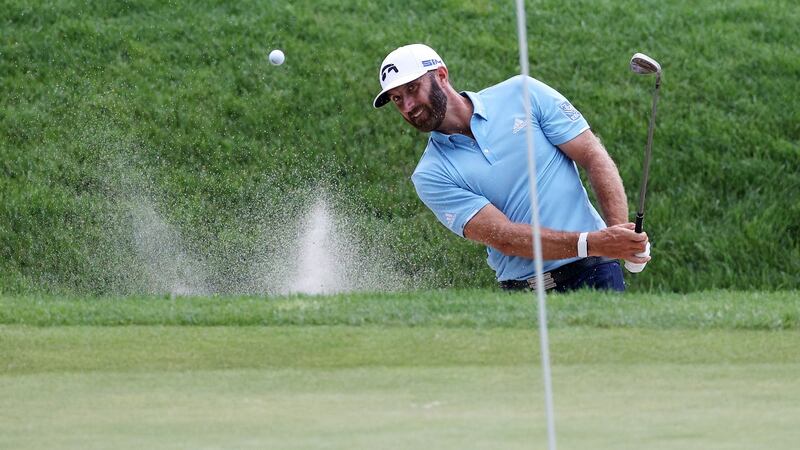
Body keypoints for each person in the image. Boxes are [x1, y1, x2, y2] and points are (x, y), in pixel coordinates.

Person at [373, 44, 650, 292]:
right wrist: (597, 242)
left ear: (442, 76)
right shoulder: (430, 174)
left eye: (412, 88)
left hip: (595, 273)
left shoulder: (523, 93)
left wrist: (621, 234)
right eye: (397, 99)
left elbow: (592, 154)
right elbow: (503, 237)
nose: (408, 106)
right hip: (527, 294)